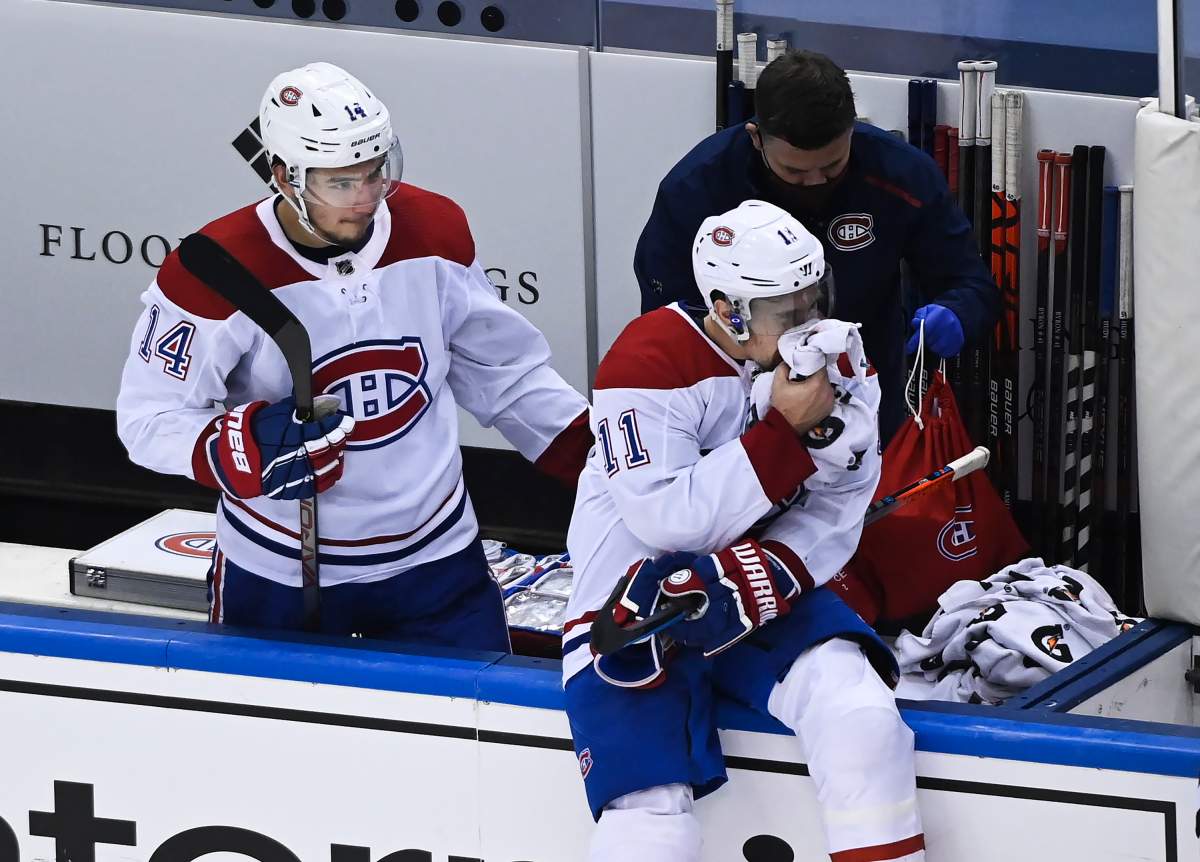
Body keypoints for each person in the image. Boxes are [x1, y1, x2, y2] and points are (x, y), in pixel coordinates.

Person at [117, 62, 591, 649]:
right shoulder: (211, 271)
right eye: (341, 183)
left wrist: (603, 459)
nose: (366, 198)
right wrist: (233, 447)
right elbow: (147, 419)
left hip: (437, 562)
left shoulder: (432, 230)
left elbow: (506, 377)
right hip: (282, 575)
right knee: (270, 735)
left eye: (376, 173)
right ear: (283, 176)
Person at [563, 200, 925, 862]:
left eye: (815, 299)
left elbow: (844, 501)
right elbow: (666, 520)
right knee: (648, 814)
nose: (810, 323)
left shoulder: (838, 358)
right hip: (632, 602)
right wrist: (781, 431)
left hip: (765, 591)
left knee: (863, 722)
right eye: (787, 312)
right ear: (730, 309)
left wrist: (770, 571)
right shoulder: (648, 358)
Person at [634, 49, 999, 443]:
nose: (814, 182)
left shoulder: (902, 176)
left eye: (832, 166)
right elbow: (668, 323)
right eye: (794, 171)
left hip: (865, 398)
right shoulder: (697, 189)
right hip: (734, 410)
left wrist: (957, 313)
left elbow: (972, 284)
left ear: (852, 132)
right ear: (756, 138)